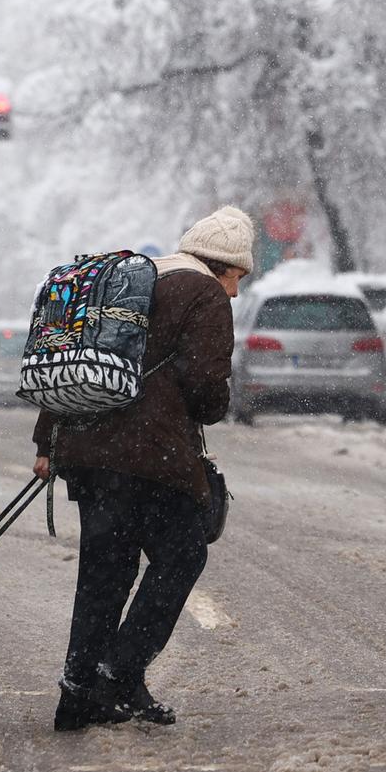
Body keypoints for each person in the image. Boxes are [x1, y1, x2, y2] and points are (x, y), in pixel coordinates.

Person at [34, 207, 246, 731]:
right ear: (222, 267)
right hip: (153, 456)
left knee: (103, 574)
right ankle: (119, 672)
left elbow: (76, 355)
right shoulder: (205, 296)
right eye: (238, 279)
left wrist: (47, 439)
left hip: (88, 451)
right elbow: (205, 388)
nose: (236, 293)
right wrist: (212, 403)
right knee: (182, 557)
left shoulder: (130, 282)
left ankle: (77, 694)